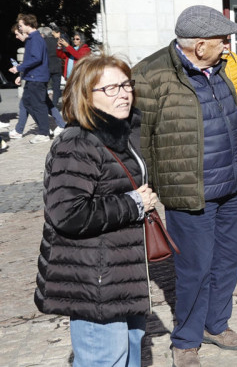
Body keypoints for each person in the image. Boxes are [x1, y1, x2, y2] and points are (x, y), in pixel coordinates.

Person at [132, 5, 237, 367]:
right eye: (222, 41)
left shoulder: (221, 68)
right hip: (188, 191)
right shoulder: (150, 76)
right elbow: (139, 140)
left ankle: (215, 325)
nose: (228, 47)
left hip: (231, 186)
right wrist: (145, 190)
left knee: (231, 257)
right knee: (195, 268)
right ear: (199, 46)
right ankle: (185, 341)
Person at [35, 53, 159, 367]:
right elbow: (67, 213)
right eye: (111, 89)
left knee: (130, 352)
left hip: (123, 271)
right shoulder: (77, 144)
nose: (124, 93)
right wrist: (133, 204)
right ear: (86, 96)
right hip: (94, 277)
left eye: (126, 85)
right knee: (104, 359)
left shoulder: (122, 134)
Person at [8, 14, 56, 143]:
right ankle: (44, 128)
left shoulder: (35, 39)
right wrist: (21, 70)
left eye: (21, 26)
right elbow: (33, 58)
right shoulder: (33, 38)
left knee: (38, 105)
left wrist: (19, 68)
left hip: (37, 77)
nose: (20, 28)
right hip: (33, 76)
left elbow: (36, 58)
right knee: (28, 103)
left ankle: (44, 132)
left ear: (29, 25)